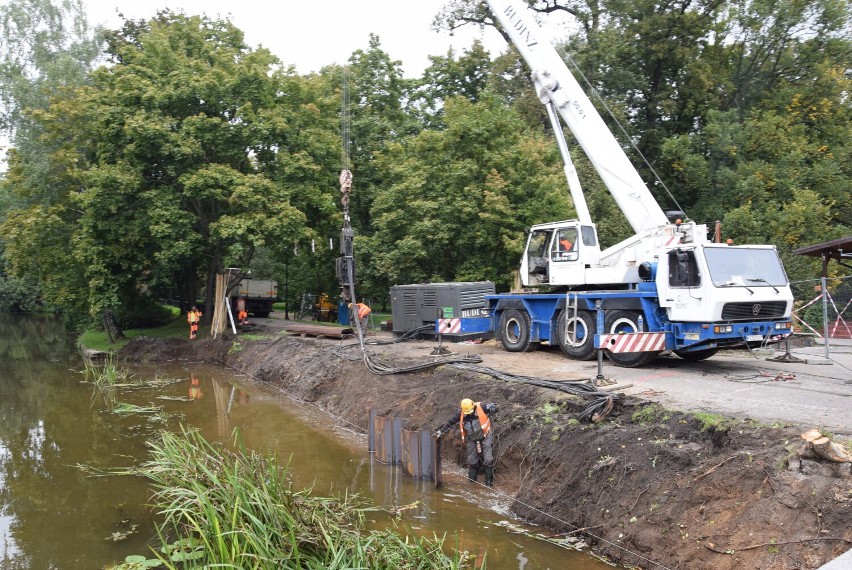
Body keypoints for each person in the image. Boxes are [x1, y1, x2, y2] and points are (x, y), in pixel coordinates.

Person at [435, 398, 499, 486]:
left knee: (488, 459)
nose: (469, 414)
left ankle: (489, 483)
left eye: (470, 411)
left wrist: (494, 407)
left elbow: (496, 406)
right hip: (471, 439)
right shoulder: (460, 413)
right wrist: (440, 431)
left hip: (485, 436)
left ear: (473, 406)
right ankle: (471, 482)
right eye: (467, 412)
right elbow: (450, 422)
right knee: (472, 461)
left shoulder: (482, 407)